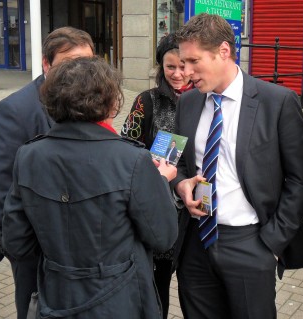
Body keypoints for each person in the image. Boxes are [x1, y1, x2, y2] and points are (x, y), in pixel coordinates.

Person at [1, 56, 178, 319]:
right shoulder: (131, 160)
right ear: (110, 102)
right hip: (119, 300)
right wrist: (160, 182)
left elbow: (15, 243)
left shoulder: (28, 155)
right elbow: (163, 236)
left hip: (56, 296)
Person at [171, 13, 303, 319]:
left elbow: (301, 182)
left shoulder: (277, 102)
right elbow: (177, 162)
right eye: (183, 63)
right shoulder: (187, 102)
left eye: (193, 62)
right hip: (195, 243)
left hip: (251, 243)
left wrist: (271, 246)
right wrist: (180, 184)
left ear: (223, 51)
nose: (186, 72)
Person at [0, 26, 94, 319]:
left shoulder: (91, 104)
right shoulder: (14, 110)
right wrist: (27, 245)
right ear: (46, 64)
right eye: (70, 63)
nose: (80, 71)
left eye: (87, 63)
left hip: (82, 251)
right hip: (35, 251)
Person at [121, 32, 193, 318]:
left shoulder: (206, 98)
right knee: (158, 284)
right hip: (159, 209)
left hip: (194, 208)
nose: (178, 74)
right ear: (160, 67)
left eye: (183, 66)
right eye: (170, 67)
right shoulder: (146, 101)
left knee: (192, 283)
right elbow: (125, 147)